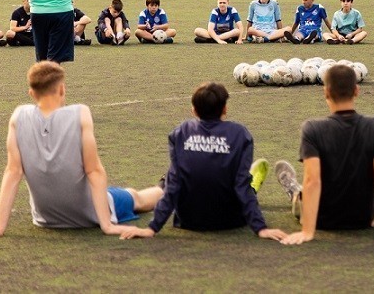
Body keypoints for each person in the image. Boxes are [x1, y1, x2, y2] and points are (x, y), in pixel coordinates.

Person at [0, 62, 162, 239]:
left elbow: (13, 172)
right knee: (135, 197)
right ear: (62, 89)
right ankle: (167, 188)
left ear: (31, 93)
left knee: (119, 193)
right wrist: (106, 225)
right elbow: (94, 171)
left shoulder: (17, 117)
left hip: (45, 219)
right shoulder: (81, 113)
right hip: (88, 214)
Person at [274, 63, 374, 243]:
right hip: (363, 218)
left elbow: (312, 181)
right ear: (356, 91)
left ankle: (294, 192)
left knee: (301, 195)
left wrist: (308, 231)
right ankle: (296, 194)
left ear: (326, 92)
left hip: (324, 219)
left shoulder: (312, 129)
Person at [118, 82, 287, 241]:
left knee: (173, 175)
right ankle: (254, 184)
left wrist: (152, 228)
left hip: (189, 221)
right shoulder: (240, 134)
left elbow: (173, 185)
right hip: (231, 221)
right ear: (225, 109)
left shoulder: (181, 132)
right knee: (243, 181)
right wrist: (261, 228)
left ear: (194, 110)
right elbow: (241, 185)